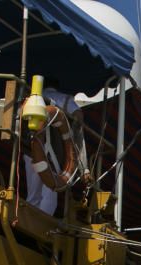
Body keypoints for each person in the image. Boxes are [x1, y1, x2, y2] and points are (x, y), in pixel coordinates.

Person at [23, 76, 87, 215]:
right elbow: (79, 116)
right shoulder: (65, 98)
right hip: (54, 151)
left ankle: (28, 218)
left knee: (33, 191)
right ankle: (44, 220)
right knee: (50, 189)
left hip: (30, 149)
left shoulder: (31, 98)